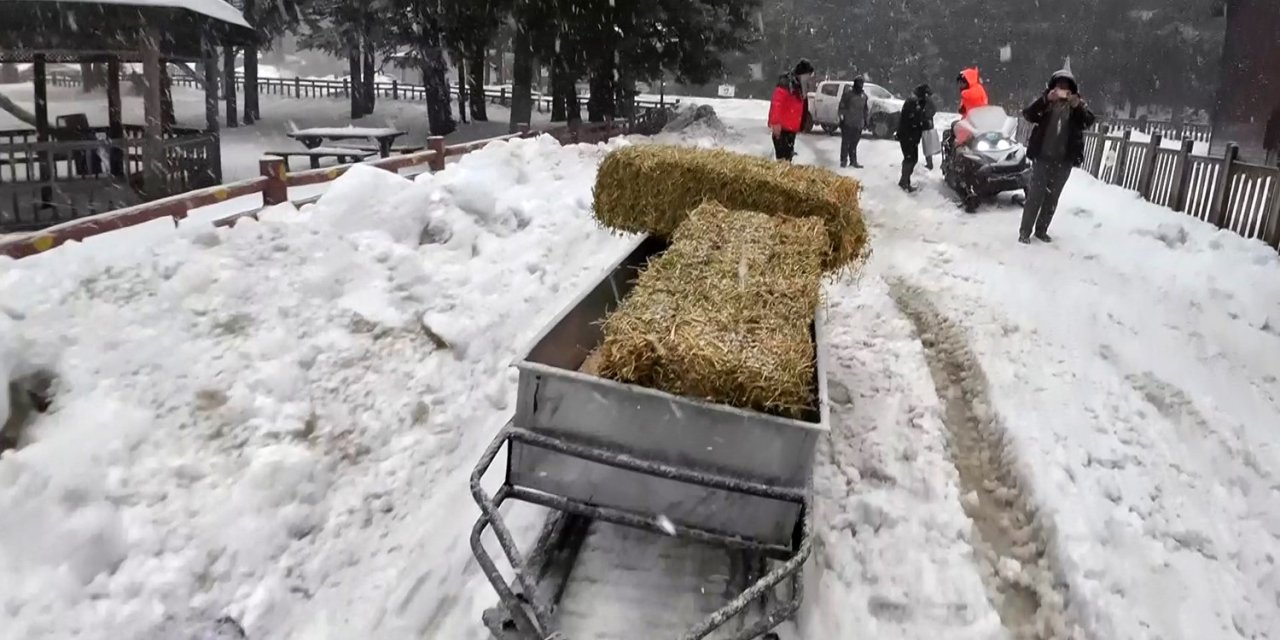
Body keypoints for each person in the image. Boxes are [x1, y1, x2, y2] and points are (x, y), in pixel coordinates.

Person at [1018, 68, 1097, 244]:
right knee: (1035, 197)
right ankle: (1025, 232)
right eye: (1059, 86)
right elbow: (1028, 114)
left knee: (1052, 198)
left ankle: (1041, 230)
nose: (1062, 90)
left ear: (1072, 90)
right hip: (1042, 158)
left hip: (1064, 162)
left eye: (1066, 87)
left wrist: (1077, 106)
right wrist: (1046, 100)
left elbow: (1088, 121)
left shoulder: (1077, 106)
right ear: (1053, 87)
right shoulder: (1046, 103)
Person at [768, 59, 814, 162]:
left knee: (787, 159)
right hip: (782, 129)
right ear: (802, 74)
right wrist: (775, 122)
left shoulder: (801, 87)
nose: (809, 79)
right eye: (808, 75)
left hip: (791, 129)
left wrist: (802, 124)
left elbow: (803, 107)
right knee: (782, 160)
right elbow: (777, 103)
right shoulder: (786, 84)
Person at [895, 84, 934, 192]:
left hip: (910, 135)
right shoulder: (913, 102)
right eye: (927, 95)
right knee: (910, 159)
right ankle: (904, 182)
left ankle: (905, 181)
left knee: (911, 158)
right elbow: (914, 119)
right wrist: (924, 123)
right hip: (908, 135)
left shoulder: (915, 101)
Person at [838, 77, 869, 168]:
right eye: (859, 83)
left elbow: (865, 110)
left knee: (854, 143)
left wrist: (866, 121)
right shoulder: (848, 95)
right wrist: (842, 118)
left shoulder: (864, 96)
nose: (860, 85)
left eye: (862, 83)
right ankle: (843, 160)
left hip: (858, 123)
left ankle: (853, 161)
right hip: (848, 122)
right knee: (845, 143)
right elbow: (841, 107)